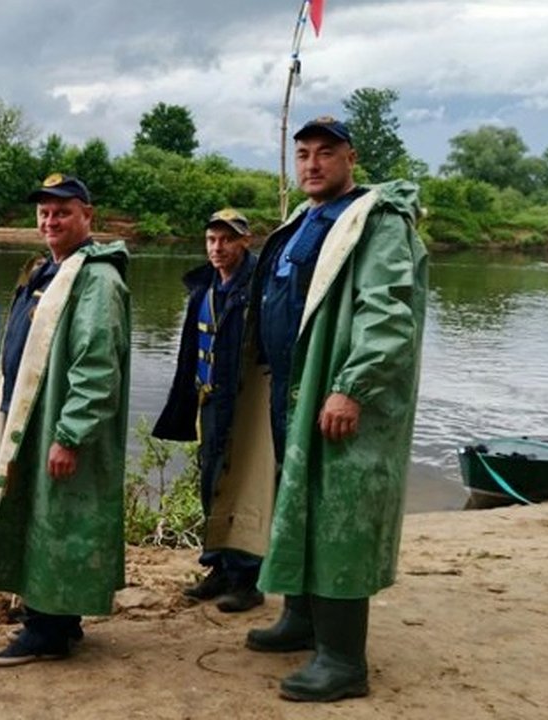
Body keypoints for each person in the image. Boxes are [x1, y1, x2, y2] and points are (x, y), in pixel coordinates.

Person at [240, 116, 428, 702]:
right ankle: (301, 619)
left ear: (351, 158)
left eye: (326, 153)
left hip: (335, 391)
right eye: (303, 154)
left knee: (337, 515)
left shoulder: (377, 221)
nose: (312, 164)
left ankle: (344, 661)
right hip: (290, 389)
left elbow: (387, 313)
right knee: (296, 502)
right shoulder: (303, 219)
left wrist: (354, 386)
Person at [0, 174, 131, 667]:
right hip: (30, 421)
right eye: (45, 213)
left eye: (63, 212)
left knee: (57, 521)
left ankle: (46, 631)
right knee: (41, 517)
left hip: (58, 426)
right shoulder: (48, 271)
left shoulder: (96, 279)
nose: (51, 220)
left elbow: (97, 365)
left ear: (87, 217)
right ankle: (58, 619)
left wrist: (71, 434)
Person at [153, 208, 263, 613]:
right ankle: (216, 567)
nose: (217, 248)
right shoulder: (203, 287)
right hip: (207, 402)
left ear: (244, 241)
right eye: (211, 240)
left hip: (244, 403)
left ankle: (246, 579)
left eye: (226, 240)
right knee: (210, 484)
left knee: (242, 487)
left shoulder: (258, 288)